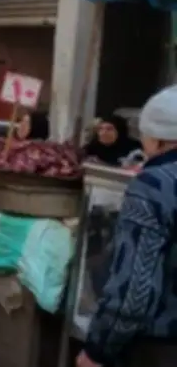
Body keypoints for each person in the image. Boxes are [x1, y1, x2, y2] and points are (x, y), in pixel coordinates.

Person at [76, 85, 177, 367]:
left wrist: (98, 350)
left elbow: (134, 291)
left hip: (162, 346)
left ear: (157, 139)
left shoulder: (153, 186)